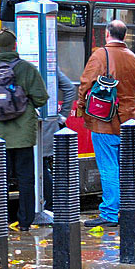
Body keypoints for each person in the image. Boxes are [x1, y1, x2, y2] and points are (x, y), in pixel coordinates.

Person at [77, 20, 135, 227]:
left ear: (107, 34)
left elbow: (85, 83)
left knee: (108, 167)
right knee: (123, 167)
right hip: (127, 122)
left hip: (104, 122)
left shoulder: (100, 55)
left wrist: (82, 104)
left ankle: (109, 213)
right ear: (124, 36)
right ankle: (124, 208)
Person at [0, 28, 48, 231]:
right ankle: (25, 221)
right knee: (25, 179)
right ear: (15, 45)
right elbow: (41, 98)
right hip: (23, 134)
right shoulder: (26, 68)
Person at [41, 69, 77, 213]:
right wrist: (62, 115)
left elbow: (69, 88)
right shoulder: (47, 65)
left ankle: (50, 205)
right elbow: (69, 87)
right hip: (48, 122)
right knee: (42, 166)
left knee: (39, 166)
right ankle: (52, 204)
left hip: (36, 125)